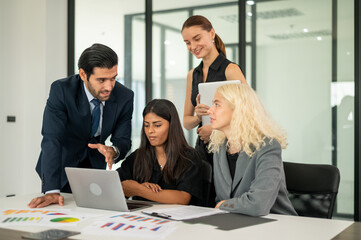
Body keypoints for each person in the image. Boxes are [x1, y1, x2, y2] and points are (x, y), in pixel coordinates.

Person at [28, 43, 134, 208]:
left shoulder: (125, 96)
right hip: (60, 169)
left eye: (113, 78)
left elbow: (123, 139)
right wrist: (51, 190)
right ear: (83, 74)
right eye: (101, 80)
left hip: (94, 172)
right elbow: (52, 138)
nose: (109, 87)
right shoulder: (62, 90)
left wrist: (113, 151)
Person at [208, 84, 297, 216]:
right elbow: (222, 198)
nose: (210, 110)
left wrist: (224, 205)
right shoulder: (219, 147)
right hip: (236, 221)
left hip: (274, 224)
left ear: (238, 110)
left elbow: (258, 205)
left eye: (217, 104)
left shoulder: (268, 146)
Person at [181, 15, 247, 166]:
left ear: (211, 34)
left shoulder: (230, 70)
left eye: (197, 39)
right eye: (187, 42)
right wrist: (199, 117)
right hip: (203, 151)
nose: (192, 46)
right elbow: (186, 122)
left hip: (229, 149)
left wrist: (216, 131)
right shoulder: (192, 75)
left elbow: (249, 111)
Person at [117, 99, 203, 205]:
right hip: (143, 219)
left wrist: (139, 189)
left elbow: (181, 199)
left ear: (171, 125)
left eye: (157, 125)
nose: (150, 131)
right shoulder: (138, 156)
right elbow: (117, 185)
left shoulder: (189, 157)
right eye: (146, 125)